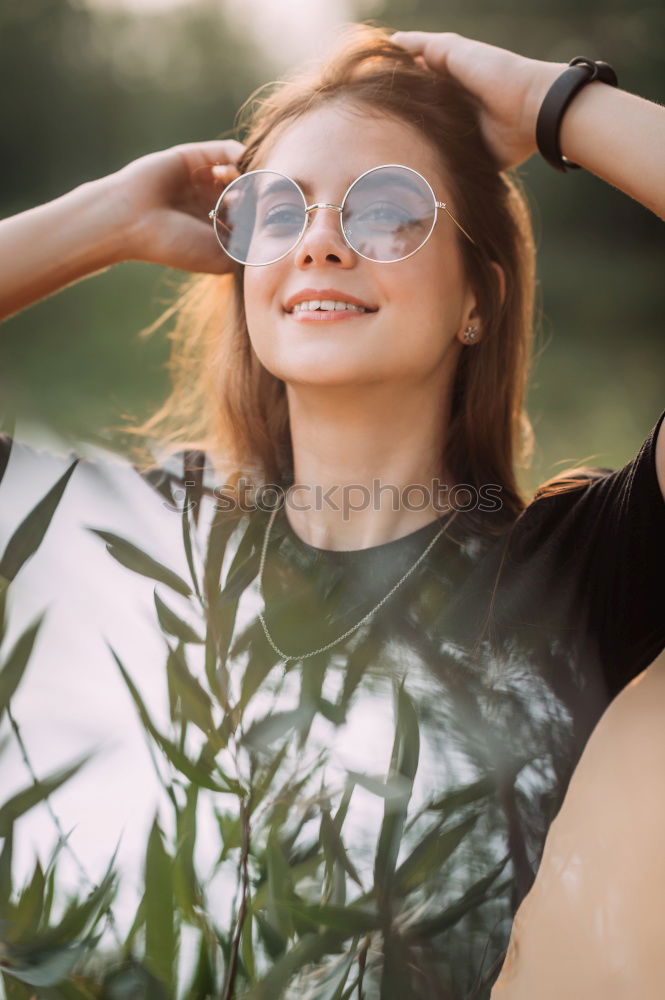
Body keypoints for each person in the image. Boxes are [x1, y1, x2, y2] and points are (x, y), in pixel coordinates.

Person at [1, 23, 664, 1000]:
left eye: (387, 210)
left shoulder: (575, 569)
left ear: (475, 298)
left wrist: (550, 104)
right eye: (275, 213)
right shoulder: (135, 542)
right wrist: (108, 218)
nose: (318, 238)